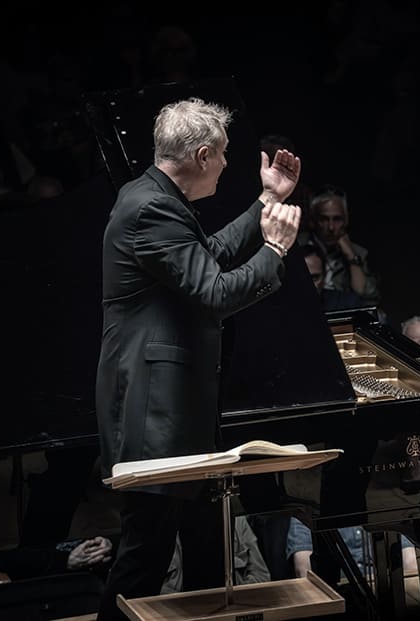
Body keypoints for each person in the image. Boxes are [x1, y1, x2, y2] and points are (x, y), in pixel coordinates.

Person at [94, 97, 302, 620]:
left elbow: (203, 257)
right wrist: (274, 250)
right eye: (226, 154)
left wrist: (264, 201)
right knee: (145, 557)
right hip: (155, 415)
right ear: (203, 155)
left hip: (176, 412)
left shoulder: (151, 198)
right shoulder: (150, 207)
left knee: (209, 553)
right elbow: (216, 292)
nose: (229, 163)